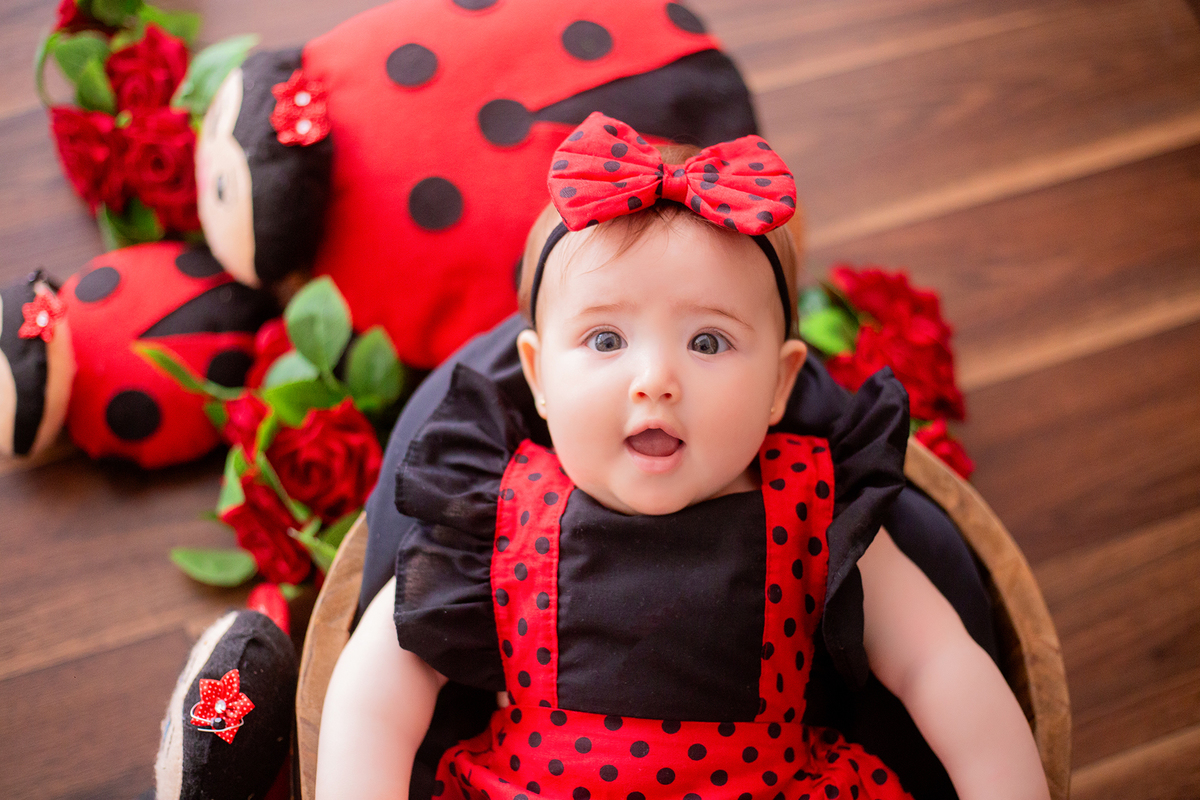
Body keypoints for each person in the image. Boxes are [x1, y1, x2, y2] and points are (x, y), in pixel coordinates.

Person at [316, 113, 1050, 800]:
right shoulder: (494, 516)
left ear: (781, 384)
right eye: (606, 340)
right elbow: (376, 691)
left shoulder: (816, 510)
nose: (656, 380)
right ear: (538, 377)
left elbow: (937, 663)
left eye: (707, 341)